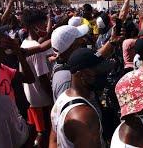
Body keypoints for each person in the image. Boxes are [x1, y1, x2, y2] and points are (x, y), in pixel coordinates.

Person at [50, 48, 109, 148]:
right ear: (81, 75)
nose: (102, 75)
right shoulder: (84, 117)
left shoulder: (63, 98)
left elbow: (54, 141)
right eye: (97, 71)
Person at [20, 8, 54, 147]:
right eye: (42, 24)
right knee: (44, 133)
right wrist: (52, 98)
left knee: (36, 130)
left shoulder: (25, 44)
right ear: (33, 26)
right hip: (42, 99)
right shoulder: (35, 48)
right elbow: (43, 78)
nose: (44, 26)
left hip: (30, 97)